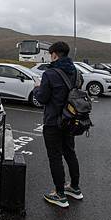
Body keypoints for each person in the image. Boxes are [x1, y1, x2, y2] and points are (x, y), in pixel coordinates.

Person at [33, 41, 83, 208]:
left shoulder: (50, 73)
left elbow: (42, 98)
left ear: (54, 54)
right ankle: (75, 188)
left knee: (55, 157)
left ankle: (60, 194)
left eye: (50, 54)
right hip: (70, 121)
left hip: (53, 122)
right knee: (70, 153)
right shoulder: (75, 72)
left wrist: (36, 88)